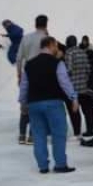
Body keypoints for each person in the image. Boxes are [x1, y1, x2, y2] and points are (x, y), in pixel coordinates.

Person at [19, 36, 78, 173]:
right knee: (58, 134)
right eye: (56, 45)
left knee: (38, 135)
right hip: (53, 102)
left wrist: (23, 102)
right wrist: (73, 98)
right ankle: (60, 164)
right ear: (51, 45)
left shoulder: (29, 64)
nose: (57, 48)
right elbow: (64, 82)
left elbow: (24, 85)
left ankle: (43, 166)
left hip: (34, 103)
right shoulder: (57, 63)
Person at [14, 15, 51, 144]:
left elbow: (18, 58)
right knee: (37, 104)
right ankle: (32, 135)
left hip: (27, 73)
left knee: (25, 104)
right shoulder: (47, 39)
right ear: (46, 24)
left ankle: (22, 135)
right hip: (42, 75)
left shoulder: (26, 38)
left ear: (35, 24)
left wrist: (19, 74)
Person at [64, 38, 93, 146]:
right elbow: (89, 69)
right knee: (88, 110)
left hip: (73, 88)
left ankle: (77, 132)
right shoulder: (83, 52)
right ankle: (90, 130)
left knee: (74, 112)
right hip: (85, 87)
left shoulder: (69, 53)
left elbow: (68, 70)